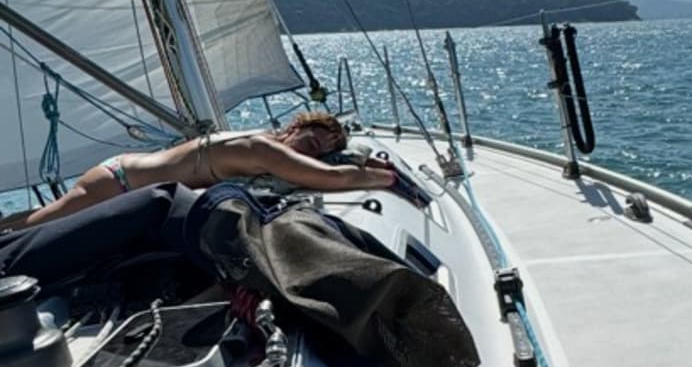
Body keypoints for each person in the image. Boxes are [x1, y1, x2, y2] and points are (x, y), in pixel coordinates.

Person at [3, 111, 397, 232]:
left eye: (323, 152)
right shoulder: (261, 149)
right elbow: (328, 178)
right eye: (310, 144)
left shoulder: (268, 144)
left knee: (40, 219)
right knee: (39, 226)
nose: (312, 155)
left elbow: (326, 167)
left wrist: (355, 158)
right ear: (294, 128)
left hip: (127, 182)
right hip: (119, 182)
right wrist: (389, 179)